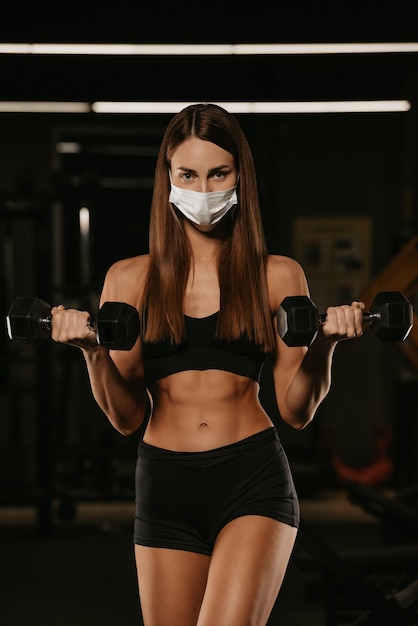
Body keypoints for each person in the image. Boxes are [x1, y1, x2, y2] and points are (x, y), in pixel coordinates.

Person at [50, 103, 365, 626]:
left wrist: (327, 343)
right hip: (163, 482)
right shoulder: (128, 280)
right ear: (168, 178)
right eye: (188, 174)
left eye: (218, 173)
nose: (203, 189)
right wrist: (92, 351)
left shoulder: (278, 276)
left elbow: (296, 410)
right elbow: (127, 418)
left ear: (239, 175)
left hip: (251, 476)